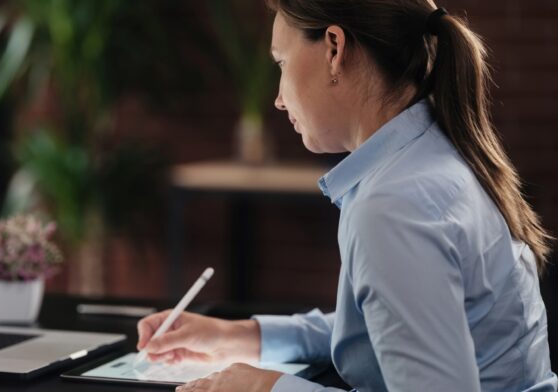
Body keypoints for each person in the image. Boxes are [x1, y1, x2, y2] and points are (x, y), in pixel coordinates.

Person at [136, 1, 558, 391]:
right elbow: (402, 325)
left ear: (334, 48)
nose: (279, 100)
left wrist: (266, 387)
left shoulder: (394, 205)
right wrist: (239, 336)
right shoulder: (433, 154)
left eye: (281, 62)